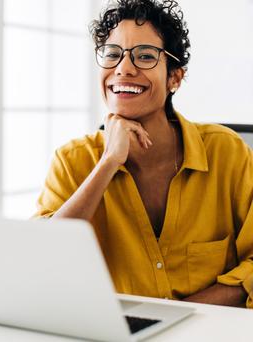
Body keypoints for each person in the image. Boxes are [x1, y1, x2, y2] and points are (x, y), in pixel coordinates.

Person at [34, 0, 253, 308]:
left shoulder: (228, 153)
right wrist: (109, 162)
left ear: (175, 78)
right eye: (112, 55)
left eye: (145, 56)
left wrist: (180, 319)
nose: (123, 68)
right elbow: (40, 262)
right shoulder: (73, 161)